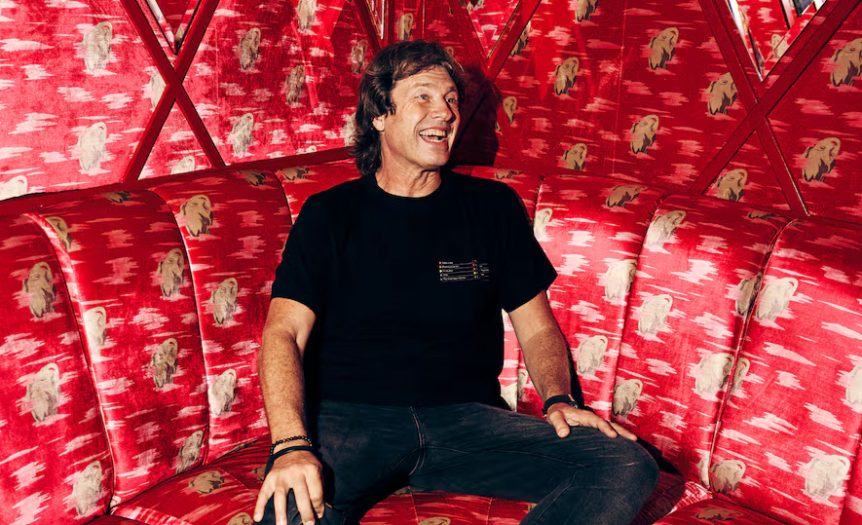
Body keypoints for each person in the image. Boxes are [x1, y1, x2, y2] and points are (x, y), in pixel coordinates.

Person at [253, 40, 658, 525]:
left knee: (625, 463)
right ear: (380, 115)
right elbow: (283, 333)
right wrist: (290, 444)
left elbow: (536, 327)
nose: (444, 113)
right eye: (423, 96)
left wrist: (557, 398)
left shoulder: (492, 207)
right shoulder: (329, 214)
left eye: (450, 100)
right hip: (351, 418)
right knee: (290, 507)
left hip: (467, 421)